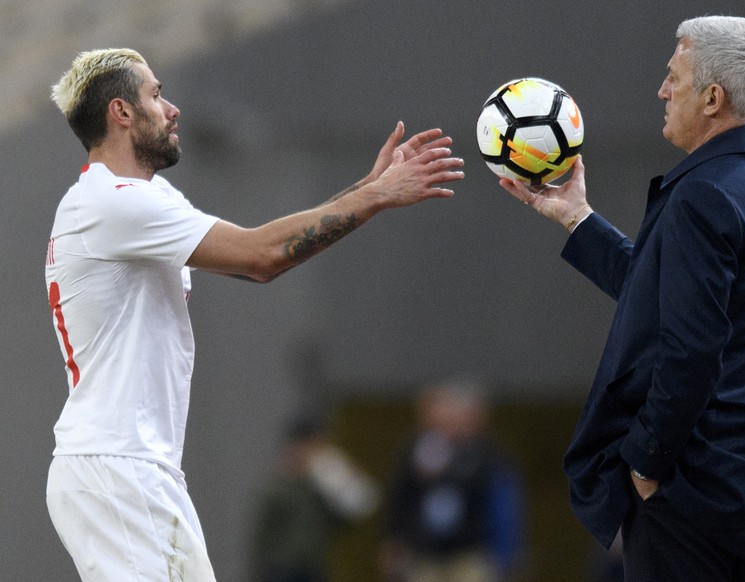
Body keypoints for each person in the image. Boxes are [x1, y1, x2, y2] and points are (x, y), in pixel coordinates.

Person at [44, 48, 463, 581]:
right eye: (155, 94)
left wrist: (367, 189)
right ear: (121, 112)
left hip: (138, 469)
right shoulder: (114, 201)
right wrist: (376, 197)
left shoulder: (134, 198)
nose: (172, 108)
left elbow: (254, 260)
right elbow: (260, 256)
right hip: (114, 468)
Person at [500, 16, 745, 581]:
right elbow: (669, 302)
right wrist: (577, 218)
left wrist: (646, 459)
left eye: (674, 76)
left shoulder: (704, 193)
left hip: (693, 493)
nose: (662, 90)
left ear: (713, 97)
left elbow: (690, 347)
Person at [379, 378, 526, 582]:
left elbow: (504, 511)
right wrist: (394, 542)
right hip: (424, 556)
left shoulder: (489, 457)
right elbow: (400, 500)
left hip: (469, 556)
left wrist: (506, 557)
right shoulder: (413, 453)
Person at [250, 415, 379, 582]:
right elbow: (263, 532)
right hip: (282, 569)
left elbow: (340, 520)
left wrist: (343, 486)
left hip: (312, 567)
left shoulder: (320, 487)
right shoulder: (280, 486)